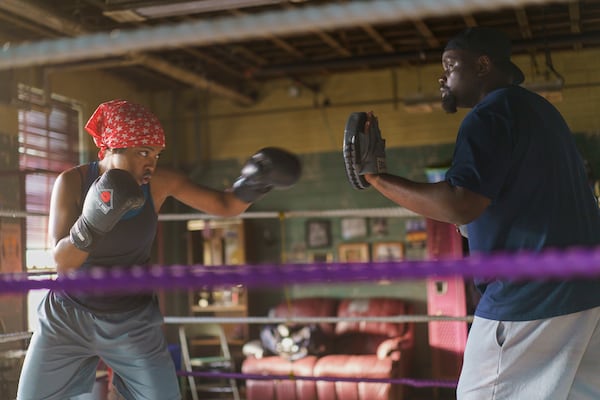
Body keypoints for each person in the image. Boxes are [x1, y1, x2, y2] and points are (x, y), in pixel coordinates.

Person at [347, 27, 600, 399]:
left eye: (450, 65)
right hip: (586, 296)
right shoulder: (541, 112)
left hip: (529, 299)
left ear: (483, 65)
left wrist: (377, 178)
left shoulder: (490, 115)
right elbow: (506, 207)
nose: (442, 77)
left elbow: (458, 202)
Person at [17, 99, 301, 400]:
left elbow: (225, 205)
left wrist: (253, 183)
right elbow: (63, 262)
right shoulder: (72, 182)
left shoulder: (158, 183)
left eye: (155, 154)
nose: (150, 163)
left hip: (130, 320)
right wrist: (92, 221)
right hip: (67, 316)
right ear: (113, 147)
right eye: (142, 153)